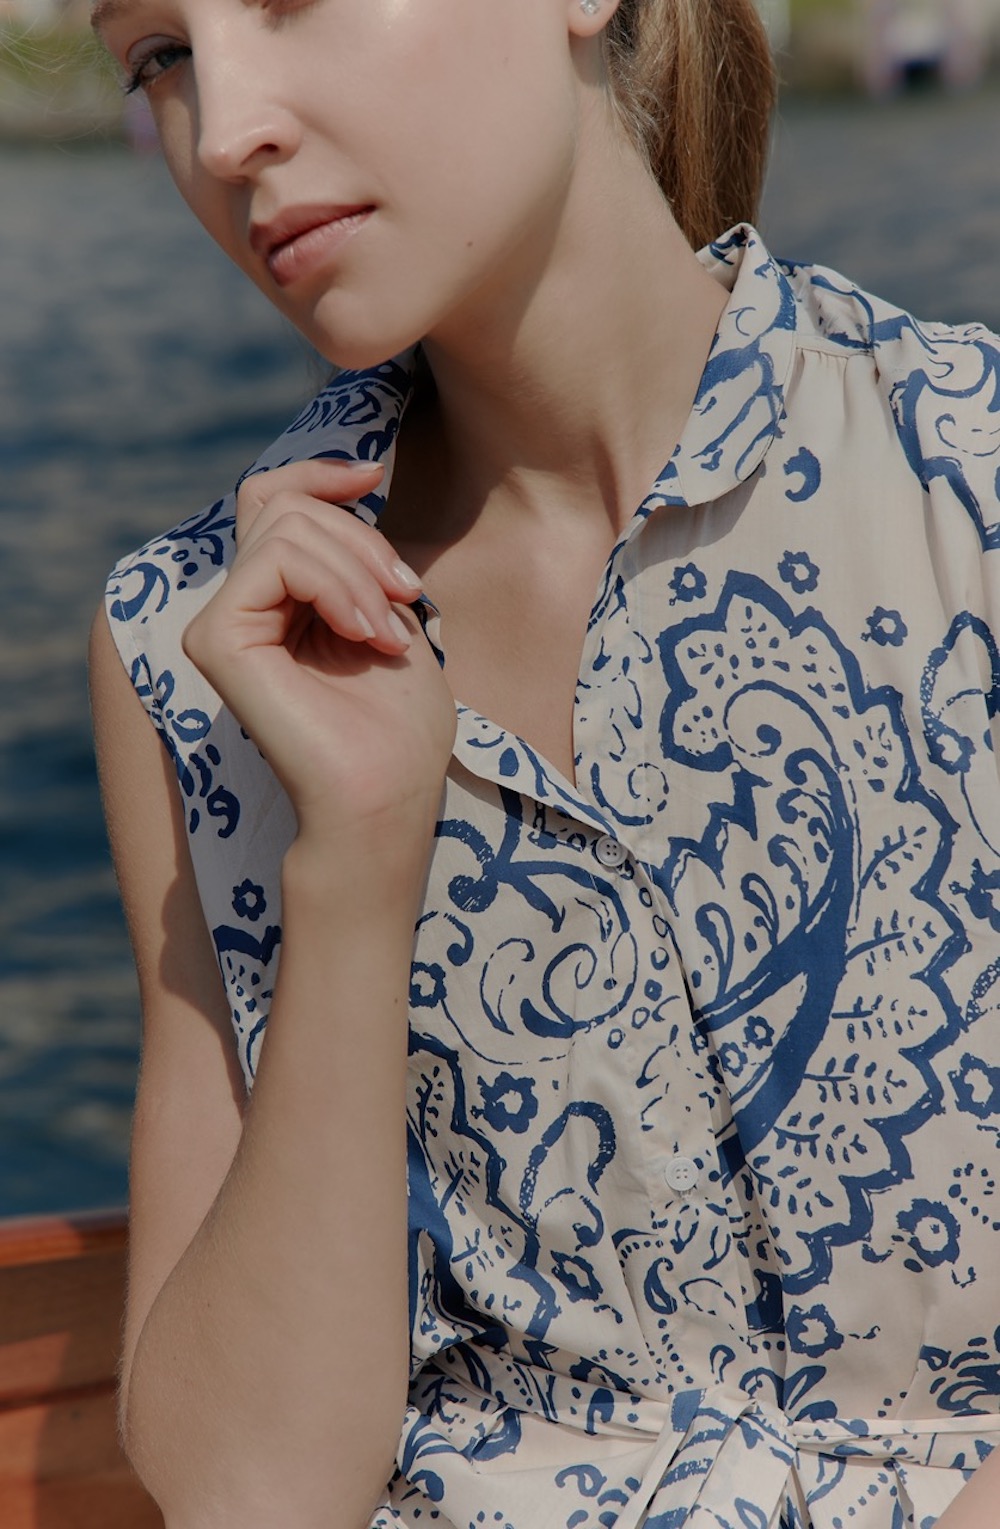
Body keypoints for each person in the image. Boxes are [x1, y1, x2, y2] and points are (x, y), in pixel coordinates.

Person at [87, 1, 1000, 1525]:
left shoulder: (968, 479)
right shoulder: (189, 651)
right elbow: (249, 1494)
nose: (224, 129)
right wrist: (356, 859)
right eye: (157, 56)